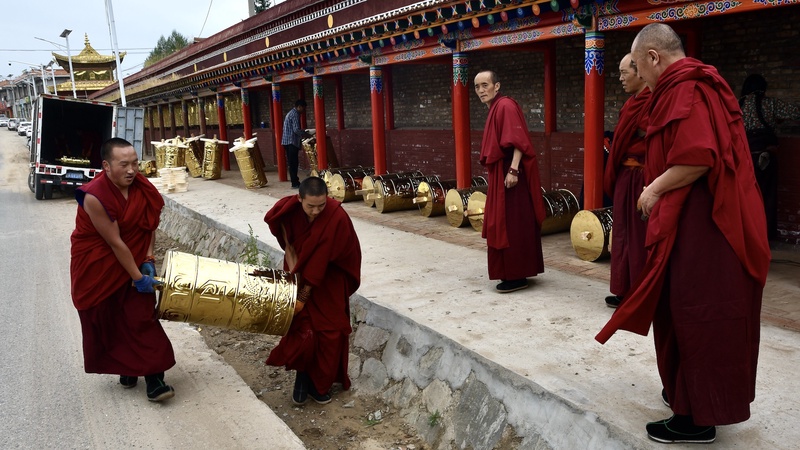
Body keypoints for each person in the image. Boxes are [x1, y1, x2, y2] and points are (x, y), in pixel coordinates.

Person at [596, 23, 771, 444]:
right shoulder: (689, 86)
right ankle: (685, 397)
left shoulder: (686, 89)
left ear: (653, 57)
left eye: (638, 67)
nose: (640, 77)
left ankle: (697, 419)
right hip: (693, 219)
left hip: (703, 225)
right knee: (679, 308)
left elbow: (698, 158)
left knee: (696, 312)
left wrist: (653, 189)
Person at [70, 138, 176, 402]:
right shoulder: (95, 196)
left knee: (141, 316)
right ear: (106, 166)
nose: (132, 170)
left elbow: (148, 225)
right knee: (109, 317)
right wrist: (138, 277)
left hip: (134, 257)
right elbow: (115, 242)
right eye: (124, 164)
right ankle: (127, 367)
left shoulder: (141, 187)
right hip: (99, 263)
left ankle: (155, 379)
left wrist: (148, 257)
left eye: (135, 163)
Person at [264, 176, 362, 405]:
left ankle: (319, 385)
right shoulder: (288, 211)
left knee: (330, 332)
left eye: (321, 205)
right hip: (299, 272)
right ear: (299, 199)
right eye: (311, 206)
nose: (316, 211)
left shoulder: (336, 217)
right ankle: (302, 378)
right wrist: (295, 284)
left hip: (329, 280)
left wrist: (304, 296)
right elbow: (290, 248)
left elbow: (328, 259)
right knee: (303, 329)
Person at [473, 70, 546, 293]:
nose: (481, 90)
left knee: (511, 223)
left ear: (497, 86)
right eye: (477, 87)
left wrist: (513, 170)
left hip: (510, 174)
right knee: (505, 221)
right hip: (501, 174)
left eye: (485, 85)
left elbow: (518, 140)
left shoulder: (505, 106)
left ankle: (517, 275)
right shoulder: (495, 108)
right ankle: (511, 272)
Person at [603, 54, 651, 308]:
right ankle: (624, 289)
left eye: (624, 73)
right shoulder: (631, 103)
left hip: (641, 177)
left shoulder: (653, 100)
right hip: (625, 176)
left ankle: (639, 293)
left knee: (638, 236)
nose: (620, 78)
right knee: (622, 233)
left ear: (640, 72)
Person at [739, 73, 800, 239]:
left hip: (743, 156)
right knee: (767, 196)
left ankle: (745, 235)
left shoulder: (737, 105)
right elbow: (796, 112)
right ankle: (764, 235)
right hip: (765, 154)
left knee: (744, 196)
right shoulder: (770, 103)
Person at [282, 99, 308, 188]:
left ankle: (295, 181)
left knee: (292, 163)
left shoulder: (291, 113)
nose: (304, 111)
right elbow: (296, 129)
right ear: (299, 107)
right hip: (291, 142)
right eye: (303, 108)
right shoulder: (295, 114)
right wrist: (305, 134)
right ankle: (295, 182)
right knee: (293, 163)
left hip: (287, 141)